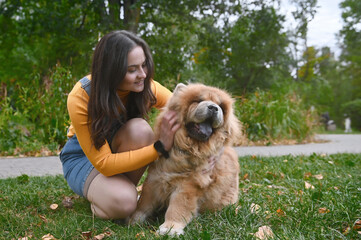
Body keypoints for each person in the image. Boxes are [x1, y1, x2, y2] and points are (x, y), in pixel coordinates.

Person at [59, 30, 180, 220]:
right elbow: (104, 164)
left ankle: (118, 192)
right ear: (111, 71)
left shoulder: (145, 86)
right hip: (84, 159)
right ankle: (110, 199)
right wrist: (159, 148)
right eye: (132, 69)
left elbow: (184, 108)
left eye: (144, 65)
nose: (142, 74)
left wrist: (215, 154)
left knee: (140, 129)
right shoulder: (82, 95)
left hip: (118, 150)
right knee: (124, 203)